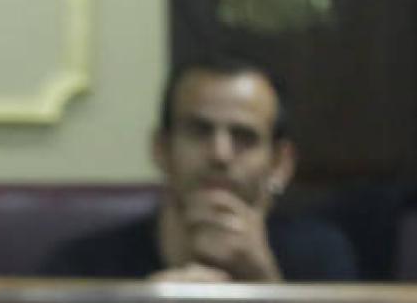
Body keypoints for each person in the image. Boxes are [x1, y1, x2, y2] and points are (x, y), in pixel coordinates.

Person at [40, 58, 356, 283]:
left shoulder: (321, 257)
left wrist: (265, 285)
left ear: (280, 164)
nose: (220, 155)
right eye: (198, 132)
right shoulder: (81, 266)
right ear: (161, 149)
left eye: (244, 137)